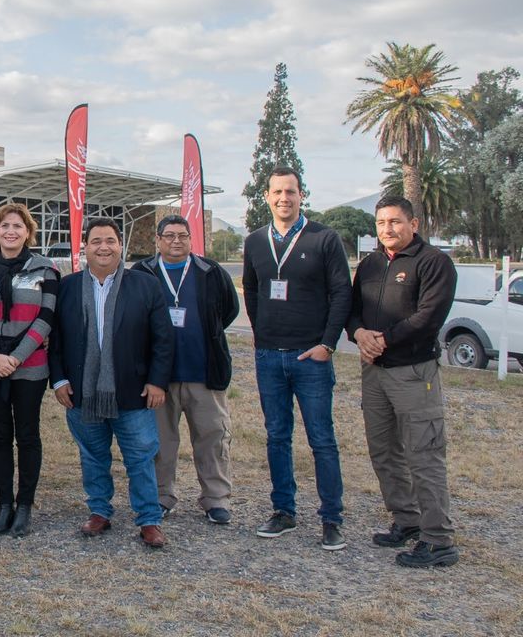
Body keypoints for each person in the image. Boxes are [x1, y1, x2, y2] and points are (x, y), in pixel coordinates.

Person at [242, 167, 351, 550]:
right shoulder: (255, 241)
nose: (283, 198)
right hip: (269, 356)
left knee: (322, 439)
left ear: (301, 194)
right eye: (277, 192)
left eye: (290, 191)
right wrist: (262, 336)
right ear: (267, 196)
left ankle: (331, 518)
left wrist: (328, 343)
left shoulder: (324, 238)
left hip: (311, 357)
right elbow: (251, 291)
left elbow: (342, 294)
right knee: (277, 437)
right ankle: (283, 511)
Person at [347, 195, 459, 568]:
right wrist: (360, 333)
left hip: (413, 373)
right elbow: (351, 310)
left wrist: (384, 340)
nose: (387, 229)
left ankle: (438, 539)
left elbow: (429, 317)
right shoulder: (371, 264)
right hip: (374, 372)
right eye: (381, 223)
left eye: (395, 222)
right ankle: (407, 521)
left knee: (423, 454)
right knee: (384, 451)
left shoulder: (434, 263)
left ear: (414, 223)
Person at [51, 218, 174, 548]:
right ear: (85, 247)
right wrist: (59, 379)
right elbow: (57, 339)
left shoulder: (145, 285)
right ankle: (99, 512)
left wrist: (158, 382)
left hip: (133, 391)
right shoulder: (68, 287)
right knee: (92, 456)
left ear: (121, 246)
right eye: (96, 241)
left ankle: (149, 519)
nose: (103, 247)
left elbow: (163, 339)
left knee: (140, 457)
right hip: (82, 392)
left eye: (110, 240)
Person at [134, 214, 240, 525]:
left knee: (212, 437)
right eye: (169, 236)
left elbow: (229, 310)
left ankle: (215, 499)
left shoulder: (211, 271)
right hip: (157, 378)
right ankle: (162, 496)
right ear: (158, 240)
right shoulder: (143, 272)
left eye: (182, 235)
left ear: (191, 239)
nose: (176, 241)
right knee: (160, 441)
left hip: (203, 372)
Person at [0, 203, 59, 537]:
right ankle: (3, 504)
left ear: (28, 232)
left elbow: (46, 319)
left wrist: (15, 358)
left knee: (28, 435)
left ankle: (25, 506)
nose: (10, 231)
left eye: (18, 226)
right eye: (4, 225)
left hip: (30, 366)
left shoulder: (45, 269)